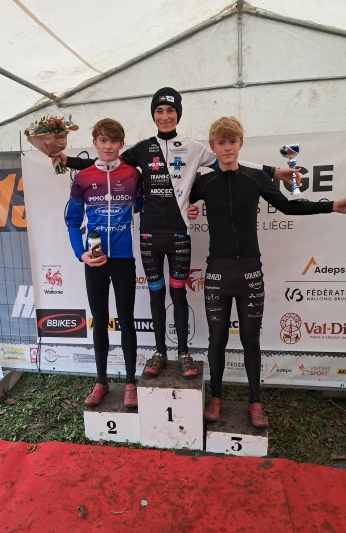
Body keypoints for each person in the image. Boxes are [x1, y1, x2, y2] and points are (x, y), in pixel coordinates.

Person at [53, 87, 300, 381]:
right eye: (159, 111)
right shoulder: (142, 148)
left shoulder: (194, 147)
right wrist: (68, 161)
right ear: (153, 115)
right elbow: (106, 162)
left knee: (178, 294)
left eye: (170, 111)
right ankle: (160, 352)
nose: (165, 116)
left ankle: (183, 353)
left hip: (179, 235)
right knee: (156, 295)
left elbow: (230, 161)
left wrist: (273, 171)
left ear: (178, 114)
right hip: (149, 237)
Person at [189, 116, 346, 428]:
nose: (227, 148)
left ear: (240, 144)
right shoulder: (204, 182)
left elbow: (288, 206)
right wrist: (187, 209)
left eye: (232, 142)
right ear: (212, 147)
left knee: (251, 339)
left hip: (250, 272)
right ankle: (216, 397)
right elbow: (176, 203)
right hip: (218, 272)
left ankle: (255, 402)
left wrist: (330, 205)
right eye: (221, 143)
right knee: (217, 339)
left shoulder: (255, 178)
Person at [65, 118, 141, 408]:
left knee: (126, 320)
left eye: (114, 141)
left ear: (121, 144)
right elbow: (72, 221)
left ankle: (131, 382)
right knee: (99, 321)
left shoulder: (133, 175)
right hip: (94, 261)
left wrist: (187, 208)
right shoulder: (83, 178)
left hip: (123, 260)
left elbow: (148, 206)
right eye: (103, 140)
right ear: (94, 143)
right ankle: (101, 381)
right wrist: (80, 253)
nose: (108, 146)